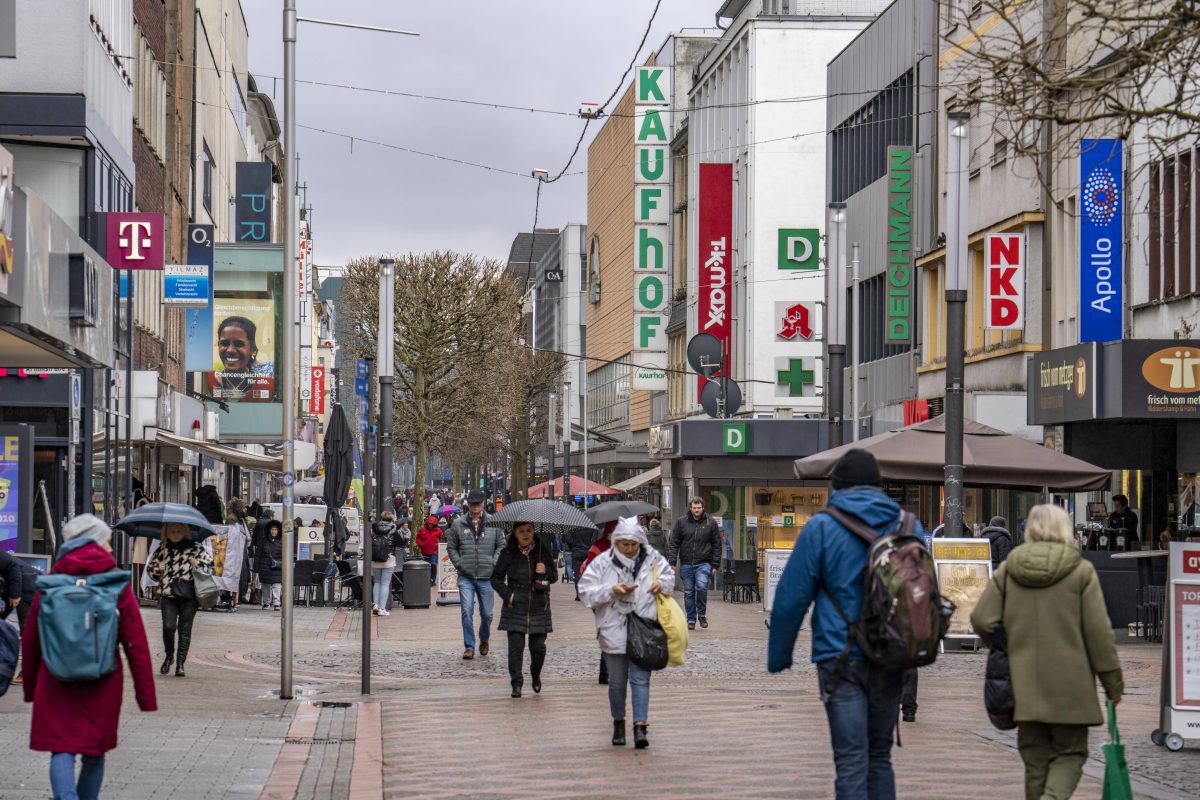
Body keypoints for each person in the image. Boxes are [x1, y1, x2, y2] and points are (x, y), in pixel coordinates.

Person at [768, 449, 924, 800]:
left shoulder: (822, 527)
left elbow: (791, 597)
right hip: (891, 652)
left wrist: (779, 656)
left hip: (840, 656)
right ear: (878, 486)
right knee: (880, 757)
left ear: (836, 486)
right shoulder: (908, 525)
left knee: (851, 760)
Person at [971, 503, 1123, 800]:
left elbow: (981, 619)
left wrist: (1005, 645)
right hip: (1072, 685)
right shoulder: (1080, 571)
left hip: (1023, 682)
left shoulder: (1009, 569)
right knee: (1071, 754)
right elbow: (1098, 633)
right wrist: (1112, 683)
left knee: (1035, 762)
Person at [22, 515, 157, 800]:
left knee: (62, 748)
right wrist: (146, 696)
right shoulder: (117, 586)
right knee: (94, 752)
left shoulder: (49, 584)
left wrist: (31, 687)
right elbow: (137, 646)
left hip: (55, 679)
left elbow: (32, 640)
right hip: (103, 681)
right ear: (99, 543)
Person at [578, 517, 674, 750]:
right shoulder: (602, 562)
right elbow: (585, 591)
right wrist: (611, 591)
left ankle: (640, 726)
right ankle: (618, 722)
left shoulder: (653, 559)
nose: (630, 549)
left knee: (641, 680)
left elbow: (669, 577)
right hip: (613, 628)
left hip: (644, 627)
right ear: (617, 542)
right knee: (617, 683)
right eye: (625, 544)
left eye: (634, 544)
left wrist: (661, 584)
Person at [491, 521, 558, 697]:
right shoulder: (508, 553)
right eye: (521, 531)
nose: (526, 534)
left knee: (538, 648)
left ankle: (535, 675)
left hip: (538, 604)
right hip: (515, 605)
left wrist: (545, 571)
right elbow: (496, 579)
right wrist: (509, 595)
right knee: (515, 647)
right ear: (514, 533)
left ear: (534, 531)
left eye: (529, 530)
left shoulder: (542, 550)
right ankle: (516, 683)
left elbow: (554, 576)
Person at [146, 522, 214, 678]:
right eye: (172, 531)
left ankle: (180, 663)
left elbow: (211, 566)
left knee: (184, 629)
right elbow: (152, 572)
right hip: (169, 594)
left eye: (179, 531)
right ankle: (169, 655)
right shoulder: (163, 548)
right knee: (168, 626)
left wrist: (198, 564)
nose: (176, 534)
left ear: (185, 532)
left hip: (189, 595)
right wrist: (159, 568)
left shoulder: (195, 548)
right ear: (167, 532)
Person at [446, 489, 506, 659]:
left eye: (478, 505)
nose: (475, 508)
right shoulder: (458, 524)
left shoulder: (495, 523)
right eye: (472, 505)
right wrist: (459, 563)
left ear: (483, 504)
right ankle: (469, 646)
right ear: (468, 505)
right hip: (466, 576)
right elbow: (451, 547)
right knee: (466, 610)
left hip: (487, 576)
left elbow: (502, 545)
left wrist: (494, 562)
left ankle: (484, 638)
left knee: (487, 614)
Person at [669, 497, 722, 631]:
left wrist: (715, 565)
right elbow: (674, 543)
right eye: (694, 507)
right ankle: (691, 619)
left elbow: (717, 544)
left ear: (703, 508)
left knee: (702, 587)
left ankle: (702, 614)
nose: (696, 510)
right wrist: (672, 561)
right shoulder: (681, 522)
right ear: (690, 508)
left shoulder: (710, 522)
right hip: (686, 563)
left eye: (699, 507)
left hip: (704, 563)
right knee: (688, 592)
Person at [209, 315, 275, 402]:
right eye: (224, 343)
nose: (230, 350)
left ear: (253, 350)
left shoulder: (267, 385)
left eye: (239, 344)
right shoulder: (208, 380)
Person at [370, 513, 402, 616]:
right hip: (389, 557)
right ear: (391, 520)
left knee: (377, 582)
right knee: (385, 583)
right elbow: (401, 543)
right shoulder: (393, 529)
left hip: (375, 558)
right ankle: (382, 608)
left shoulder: (374, 528)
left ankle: (375, 604)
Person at [257, 520, 284, 610]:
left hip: (277, 567)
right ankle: (266, 603)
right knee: (265, 586)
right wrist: (256, 568)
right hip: (265, 567)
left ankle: (277, 603)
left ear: (278, 531)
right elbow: (258, 554)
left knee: (277, 585)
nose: (273, 531)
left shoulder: (282, 541)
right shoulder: (263, 540)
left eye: (275, 530)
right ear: (269, 530)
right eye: (272, 529)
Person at [416, 515, 442, 585]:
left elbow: (442, 537)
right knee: (426, 566)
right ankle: (427, 579)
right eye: (429, 523)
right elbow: (418, 538)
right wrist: (421, 544)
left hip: (434, 551)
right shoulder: (422, 530)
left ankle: (432, 579)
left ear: (434, 524)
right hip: (425, 551)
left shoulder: (438, 530)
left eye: (432, 524)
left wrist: (439, 545)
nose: (430, 525)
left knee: (433, 564)